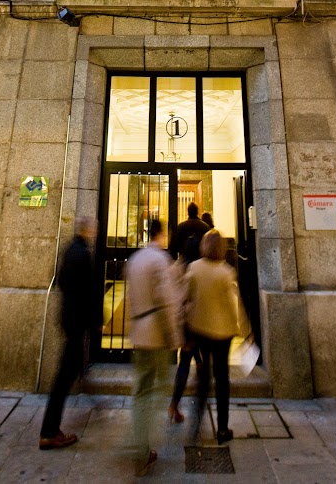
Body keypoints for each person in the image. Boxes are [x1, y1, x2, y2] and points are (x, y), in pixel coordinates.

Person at [39, 216, 98, 450]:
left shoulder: (70, 249)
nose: (96, 231)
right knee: (63, 378)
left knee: (68, 372)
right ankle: (49, 432)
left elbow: (62, 281)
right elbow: (87, 291)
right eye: (93, 228)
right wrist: (94, 319)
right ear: (87, 229)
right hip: (75, 322)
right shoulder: (81, 253)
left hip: (69, 320)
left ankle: (51, 429)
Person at [127, 219, 181, 478]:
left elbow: (130, 298)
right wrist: (174, 337)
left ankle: (139, 446)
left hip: (138, 333)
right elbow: (167, 301)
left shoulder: (135, 259)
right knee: (158, 392)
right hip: (157, 336)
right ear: (162, 234)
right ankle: (145, 445)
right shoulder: (160, 260)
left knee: (141, 392)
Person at [186, 229, 239, 445]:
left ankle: (196, 424)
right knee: (222, 378)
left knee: (203, 378)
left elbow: (186, 297)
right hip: (223, 332)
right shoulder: (226, 271)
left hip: (200, 328)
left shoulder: (194, 268)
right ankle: (222, 428)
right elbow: (233, 304)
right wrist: (239, 326)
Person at [167, 202, 210, 423]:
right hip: (202, 319)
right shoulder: (205, 229)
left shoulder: (181, 228)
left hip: (185, 318)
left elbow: (172, 249)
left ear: (187, 211)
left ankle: (175, 403)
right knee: (202, 360)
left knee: (185, 360)